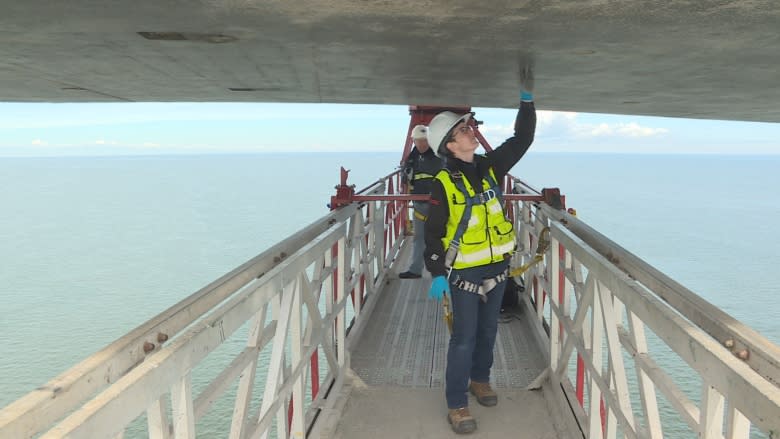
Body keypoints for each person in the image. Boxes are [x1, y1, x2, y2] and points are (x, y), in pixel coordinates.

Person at [424, 65, 536, 434]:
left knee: (489, 333)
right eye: (463, 130)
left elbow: (521, 140)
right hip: (465, 274)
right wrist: (438, 273)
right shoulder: (442, 183)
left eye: (469, 127)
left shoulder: (489, 168)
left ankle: (480, 379)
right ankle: (457, 403)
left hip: (498, 267)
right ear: (450, 145)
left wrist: (527, 101)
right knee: (464, 338)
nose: (472, 132)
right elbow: (434, 233)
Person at [399, 124, 443, 279]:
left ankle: (442, 270)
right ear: (414, 141)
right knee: (419, 238)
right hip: (420, 204)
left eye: (424, 141)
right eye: (418, 141)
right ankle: (415, 270)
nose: (421, 144)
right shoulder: (412, 157)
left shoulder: (440, 156)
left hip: (438, 205)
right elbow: (406, 178)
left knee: (439, 238)